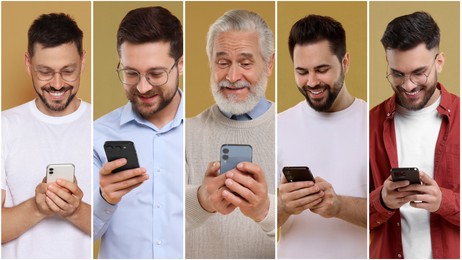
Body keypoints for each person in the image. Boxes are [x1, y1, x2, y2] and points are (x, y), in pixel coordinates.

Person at [93, 6, 183, 259]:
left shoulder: (203, 132)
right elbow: (78, 236)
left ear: (181, 64)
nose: (143, 87)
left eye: (156, 74)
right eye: (131, 74)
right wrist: (105, 200)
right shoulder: (97, 135)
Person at [185, 9, 275, 258]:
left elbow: (308, 231)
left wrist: (266, 210)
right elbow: (158, 218)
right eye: (222, 62)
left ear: (269, 64)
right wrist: (202, 200)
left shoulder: (291, 129)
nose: (232, 77)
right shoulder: (185, 133)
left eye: (245, 63)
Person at [369, 11, 460, 259]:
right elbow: (348, 213)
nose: (408, 86)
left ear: (439, 61)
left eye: (419, 73)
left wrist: (445, 201)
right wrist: (382, 201)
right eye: (397, 74)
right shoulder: (369, 125)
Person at [277, 15, 367, 258]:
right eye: (302, 72)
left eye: (322, 69)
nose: (312, 82)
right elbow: (256, 221)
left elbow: (392, 212)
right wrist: (283, 206)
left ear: (345, 62)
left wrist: (340, 206)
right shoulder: (278, 127)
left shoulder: (375, 124)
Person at [1, 13, 91, 258]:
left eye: (68, 71)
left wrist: (75, 211)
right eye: (45, 72)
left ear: (83, 61)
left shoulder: (103, 126)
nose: (58, 84)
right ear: (28, 63)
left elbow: (125, 229)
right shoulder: (4, 126)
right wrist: (38, 207)